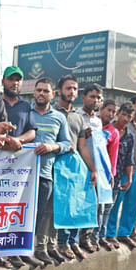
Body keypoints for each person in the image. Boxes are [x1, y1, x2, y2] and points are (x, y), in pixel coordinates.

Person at [26, 77, 71, 265]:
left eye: (46, 91)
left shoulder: (59, 117)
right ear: (34, 93)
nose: (41, 94)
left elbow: (68, 143)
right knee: (22, 212)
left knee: (43, 214)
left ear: (53, 95)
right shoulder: (24, 112)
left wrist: (52, 147)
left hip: (46, 173)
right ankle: (19, 249)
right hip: (22, 174)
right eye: (38, 90)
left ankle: (39, 249)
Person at [0, 65, 39, 268]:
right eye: (11, 79)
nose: (14, 83)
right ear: (3, 81)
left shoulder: (25, 105)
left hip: (19, 165)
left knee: (16, 208)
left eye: (18, 80)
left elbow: (32, 132)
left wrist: (18, 141)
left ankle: (17, 251)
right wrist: (8, 141)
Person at [53, 75, 97, 260]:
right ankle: (60, 244)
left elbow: (83, 146)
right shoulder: (52, 112)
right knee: (62, 206)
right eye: (68, 88)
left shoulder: (78, 118)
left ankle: (72, 241)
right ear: (59, 91)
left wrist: (92, 170)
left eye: (75, 88)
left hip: (75, 166)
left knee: (77, 204)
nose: (72, 91)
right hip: (55, 165)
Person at [105, 102, 136, 250]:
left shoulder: (130, 135)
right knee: (102, 207)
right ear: (117, 113)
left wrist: (130, 178)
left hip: (120, 174)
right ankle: (100, 236)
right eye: (124, 114)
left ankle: (112, 235)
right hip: (104, 174)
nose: (125, 118)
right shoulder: (108, 129)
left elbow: (129, 158)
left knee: (115, 204)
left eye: (129, 116)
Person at [76, 83, 107, 253]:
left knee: (94, 204)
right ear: (84, 97)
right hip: (79, 166)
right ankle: (70, 240)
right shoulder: (76, 116)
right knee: (78, 203)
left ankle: (86, 237)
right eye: (92, 96)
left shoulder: (98, 121)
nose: (95, 100)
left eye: (98, 98)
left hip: (95, 167)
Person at [99, 98, 119, 249]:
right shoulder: (92, 125)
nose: (110, 114)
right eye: (109, 110)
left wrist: (111, 174)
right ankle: (82, 238)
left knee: (105, 207)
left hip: (105, 174)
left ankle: (100, 236)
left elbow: (113, 155)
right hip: (89, 171)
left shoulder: (113, 132)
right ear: (101, 109)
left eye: (113, 111)